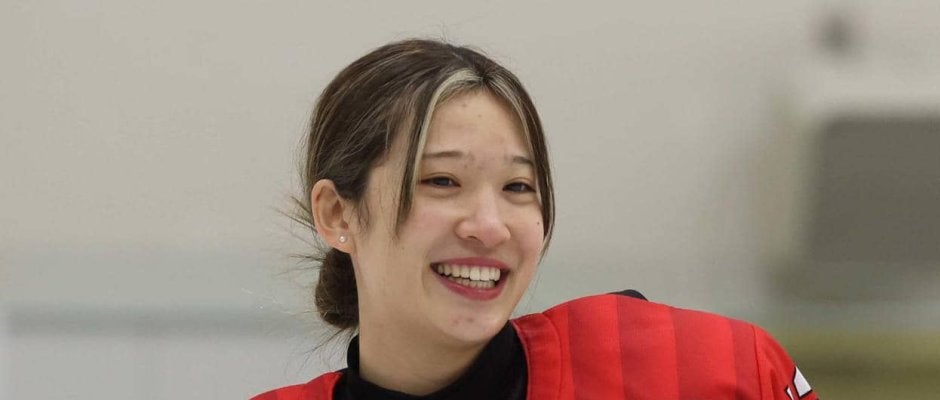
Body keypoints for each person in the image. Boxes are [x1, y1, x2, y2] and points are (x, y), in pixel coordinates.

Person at [252, 39, 818, 400]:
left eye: (518, 188)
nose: (489, 225)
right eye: (442, 181)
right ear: (337, 213)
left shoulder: (701, 370)